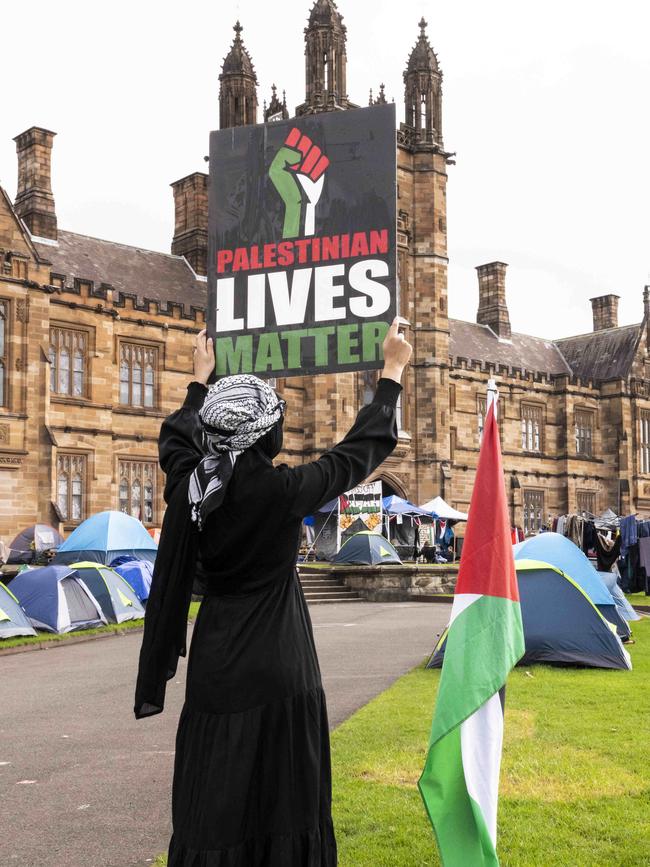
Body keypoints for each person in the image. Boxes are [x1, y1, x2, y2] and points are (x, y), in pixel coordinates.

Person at [134, 318, 412, 866]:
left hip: (217, 660)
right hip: (281, 659)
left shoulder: (192, 484)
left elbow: (175, 438)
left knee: (215, 794)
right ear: (268, 434)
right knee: (286, 793)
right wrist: (392, 371)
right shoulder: (283, 490)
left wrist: (199, 381)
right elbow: (360, 451)